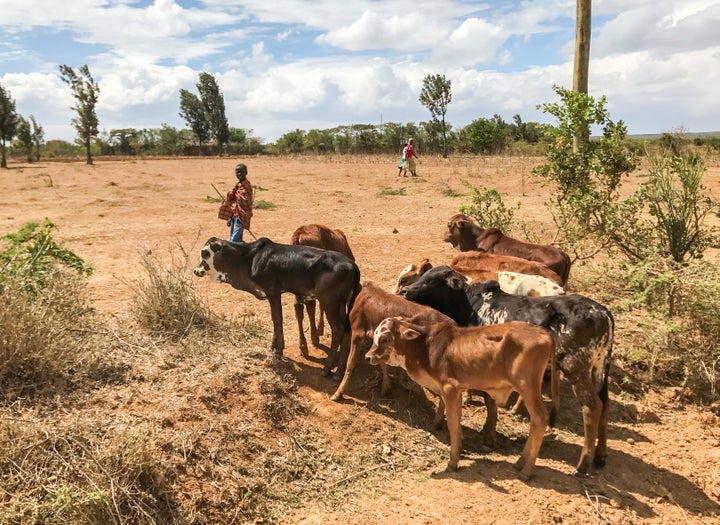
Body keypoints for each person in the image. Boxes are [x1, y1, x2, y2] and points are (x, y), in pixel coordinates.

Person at [218, 163, 254, 242]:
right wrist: (230, 217)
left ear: (246, 172)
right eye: (237, 172)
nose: (239, 174)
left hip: (242, 216)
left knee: (234, 240)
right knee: (233, 237)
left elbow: (246, 202)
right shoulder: (238, 186)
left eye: (242, 172)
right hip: (235, 216)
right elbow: (233, 203)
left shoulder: (246, 186)